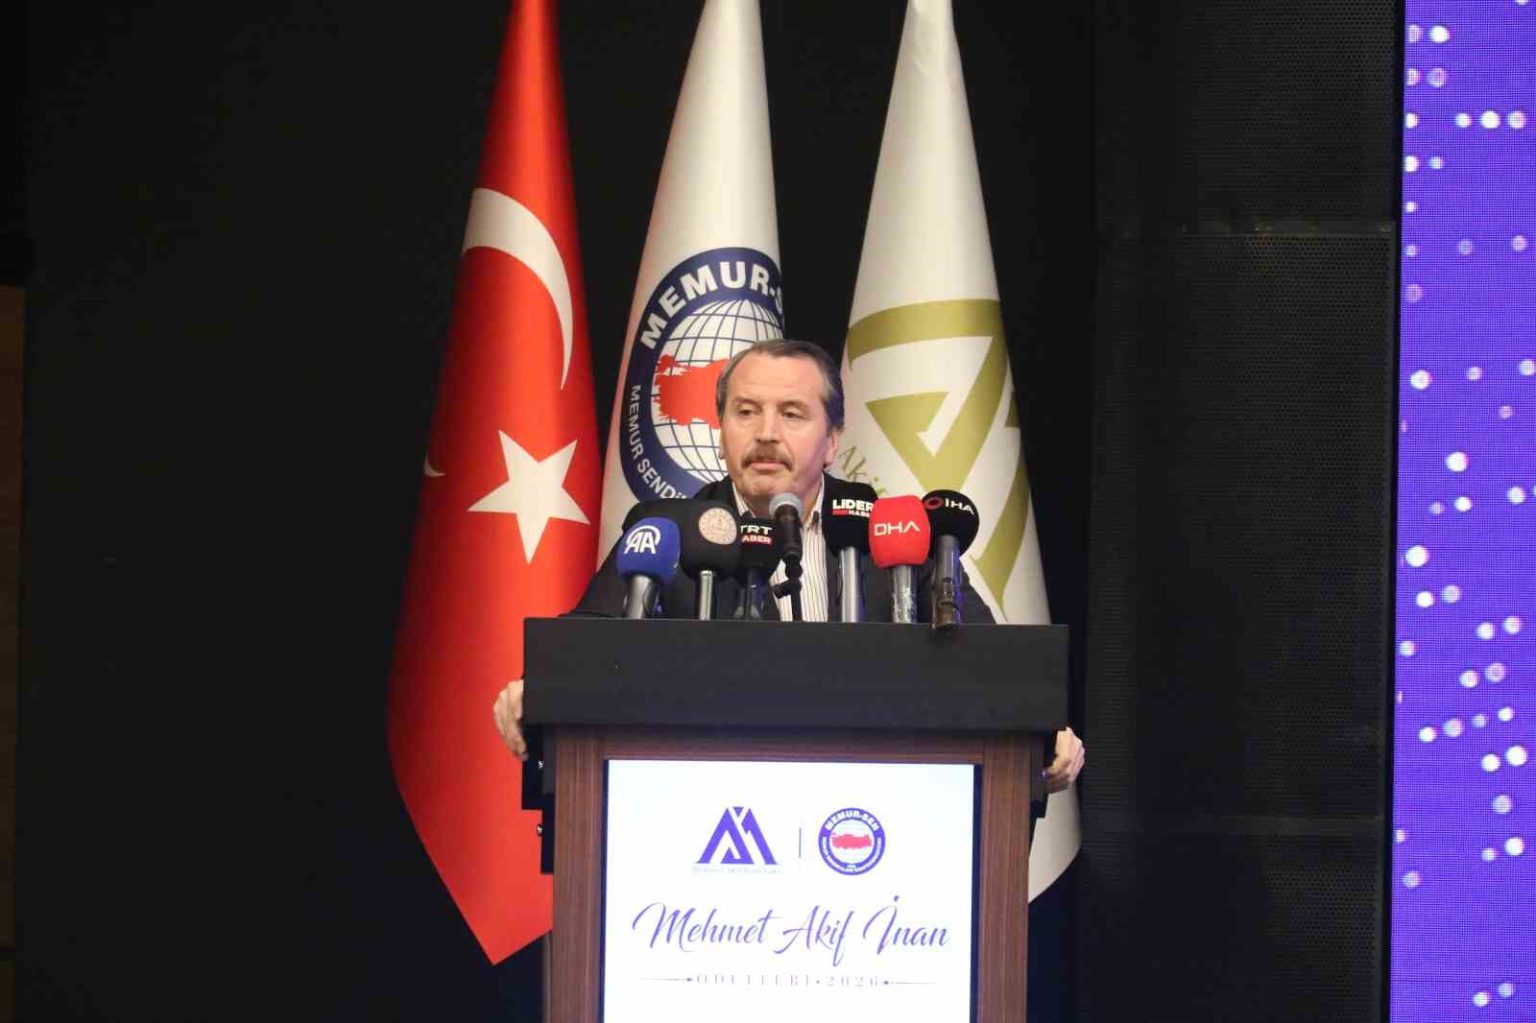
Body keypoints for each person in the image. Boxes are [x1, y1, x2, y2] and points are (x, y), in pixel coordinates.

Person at [492, 338, 1085, 791]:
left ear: (832, 440)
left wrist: (1041, 734)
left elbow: (991, 668)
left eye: (793, 414)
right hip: (704, 796)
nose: (766, 433)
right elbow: (586, 650)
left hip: (879, 797)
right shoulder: (667, 531)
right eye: (746, 412)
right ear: (721, 431)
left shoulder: (899, 536)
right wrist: (534, 692)